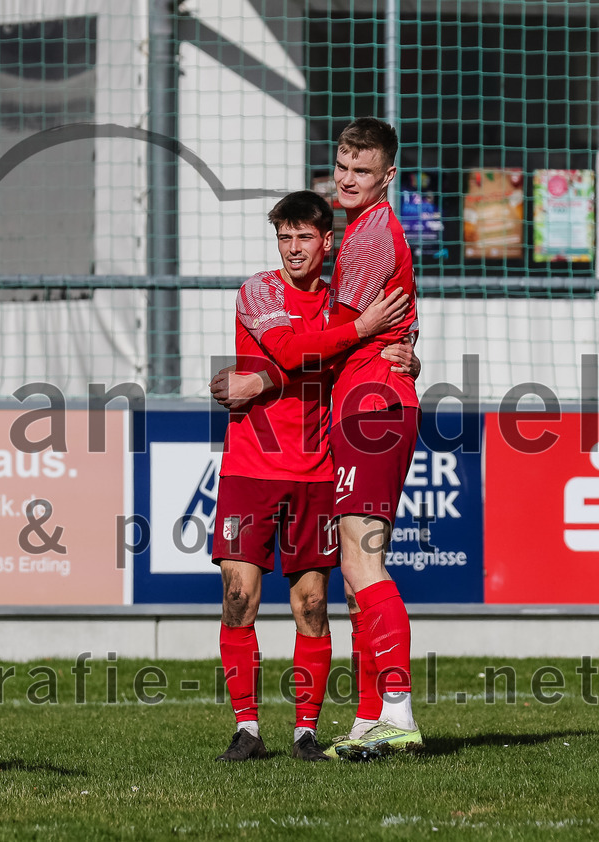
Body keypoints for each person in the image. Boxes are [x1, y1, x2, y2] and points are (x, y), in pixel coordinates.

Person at [208, 190, 414, 762]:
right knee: (237, 597)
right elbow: (290, 349)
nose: (293, 249)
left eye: (304, 238)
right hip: (251, 468)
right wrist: (357, 332)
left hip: (318, 471)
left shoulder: (343, 304)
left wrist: (405, 355)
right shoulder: (260, 290)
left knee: (313, 606)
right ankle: (247, 728)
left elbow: (367, 353)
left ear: (327, 242)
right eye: (284, 237)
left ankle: (305, 732)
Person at [319, 117, 423, 760]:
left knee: (363, 564)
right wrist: (405, 350)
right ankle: (368, 721)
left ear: (387, 177)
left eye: (362, 171)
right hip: (372, 400)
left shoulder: (371, 235)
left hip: (372, 407)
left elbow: (340, 330)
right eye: (341, 167)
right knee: (356, 574)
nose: (347, 179)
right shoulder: (363, 230)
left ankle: (398, 712)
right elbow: (396, 323)